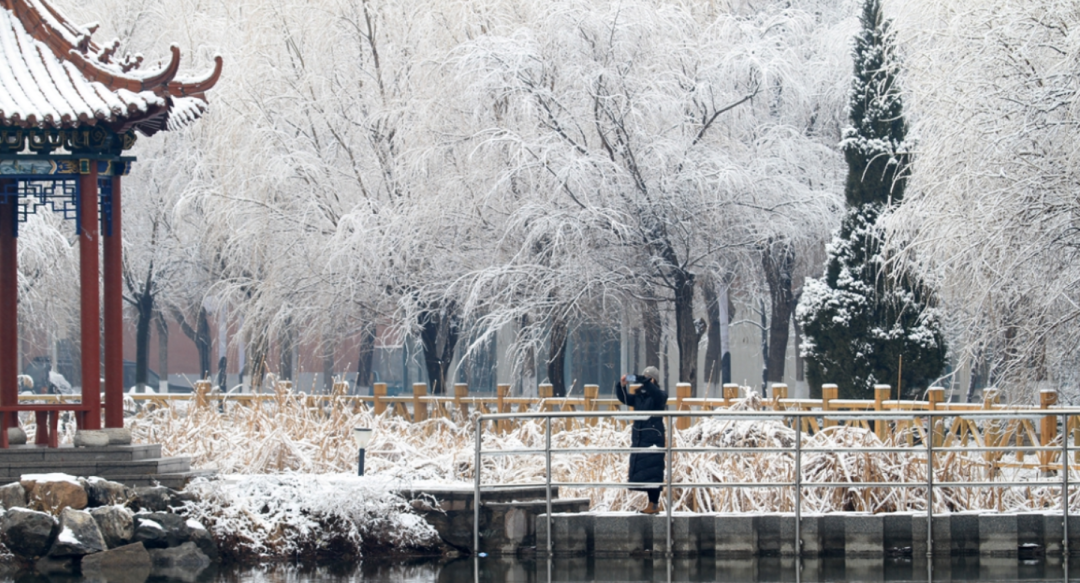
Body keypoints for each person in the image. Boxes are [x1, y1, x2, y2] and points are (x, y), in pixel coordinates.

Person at [614, 366, 668, 514]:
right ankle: (651, 503)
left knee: (654, 470)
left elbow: (657, 394)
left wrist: (646, 382)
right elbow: (624, 399)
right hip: (640, 437)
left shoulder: (659, 395)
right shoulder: (639, 396)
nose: (642, 381)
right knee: (645, 471)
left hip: (653, 437)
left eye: (647, 378)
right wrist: (622, 386)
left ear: (653, 379)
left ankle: (654, 503)